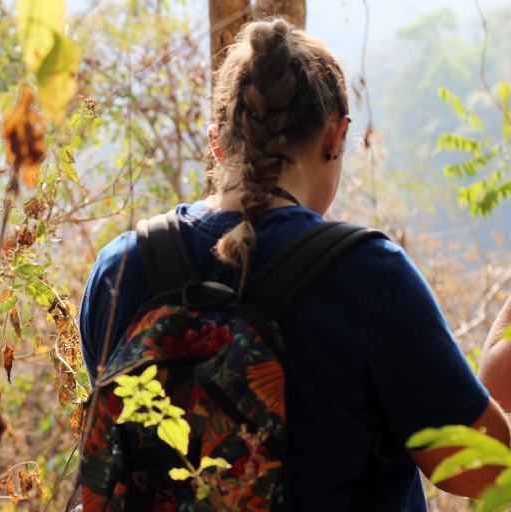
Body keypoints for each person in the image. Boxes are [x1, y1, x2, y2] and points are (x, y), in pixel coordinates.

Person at [78, 18, 511, 510]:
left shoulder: (120, 268)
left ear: (217, 142)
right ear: (335, 135)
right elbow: (488, 470)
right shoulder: (370, 278)